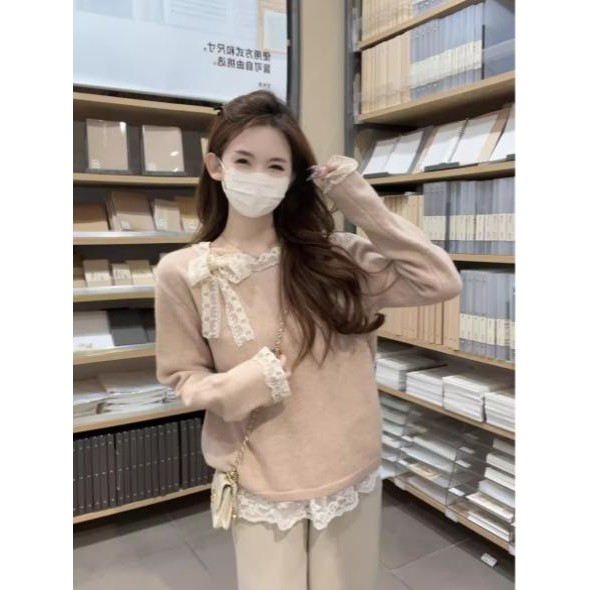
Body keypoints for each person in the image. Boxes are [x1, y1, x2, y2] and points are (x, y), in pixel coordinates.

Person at [155, 90, 462, 590]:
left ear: (292, 177)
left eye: (276, 165)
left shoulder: (338, 258)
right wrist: (239, 386)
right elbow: (182, 375)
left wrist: (359, 201)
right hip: (261, 477)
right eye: (244, 160)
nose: (259, 175)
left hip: (350, 468)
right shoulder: (184, 272)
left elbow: (438, 281)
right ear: (216, 166)